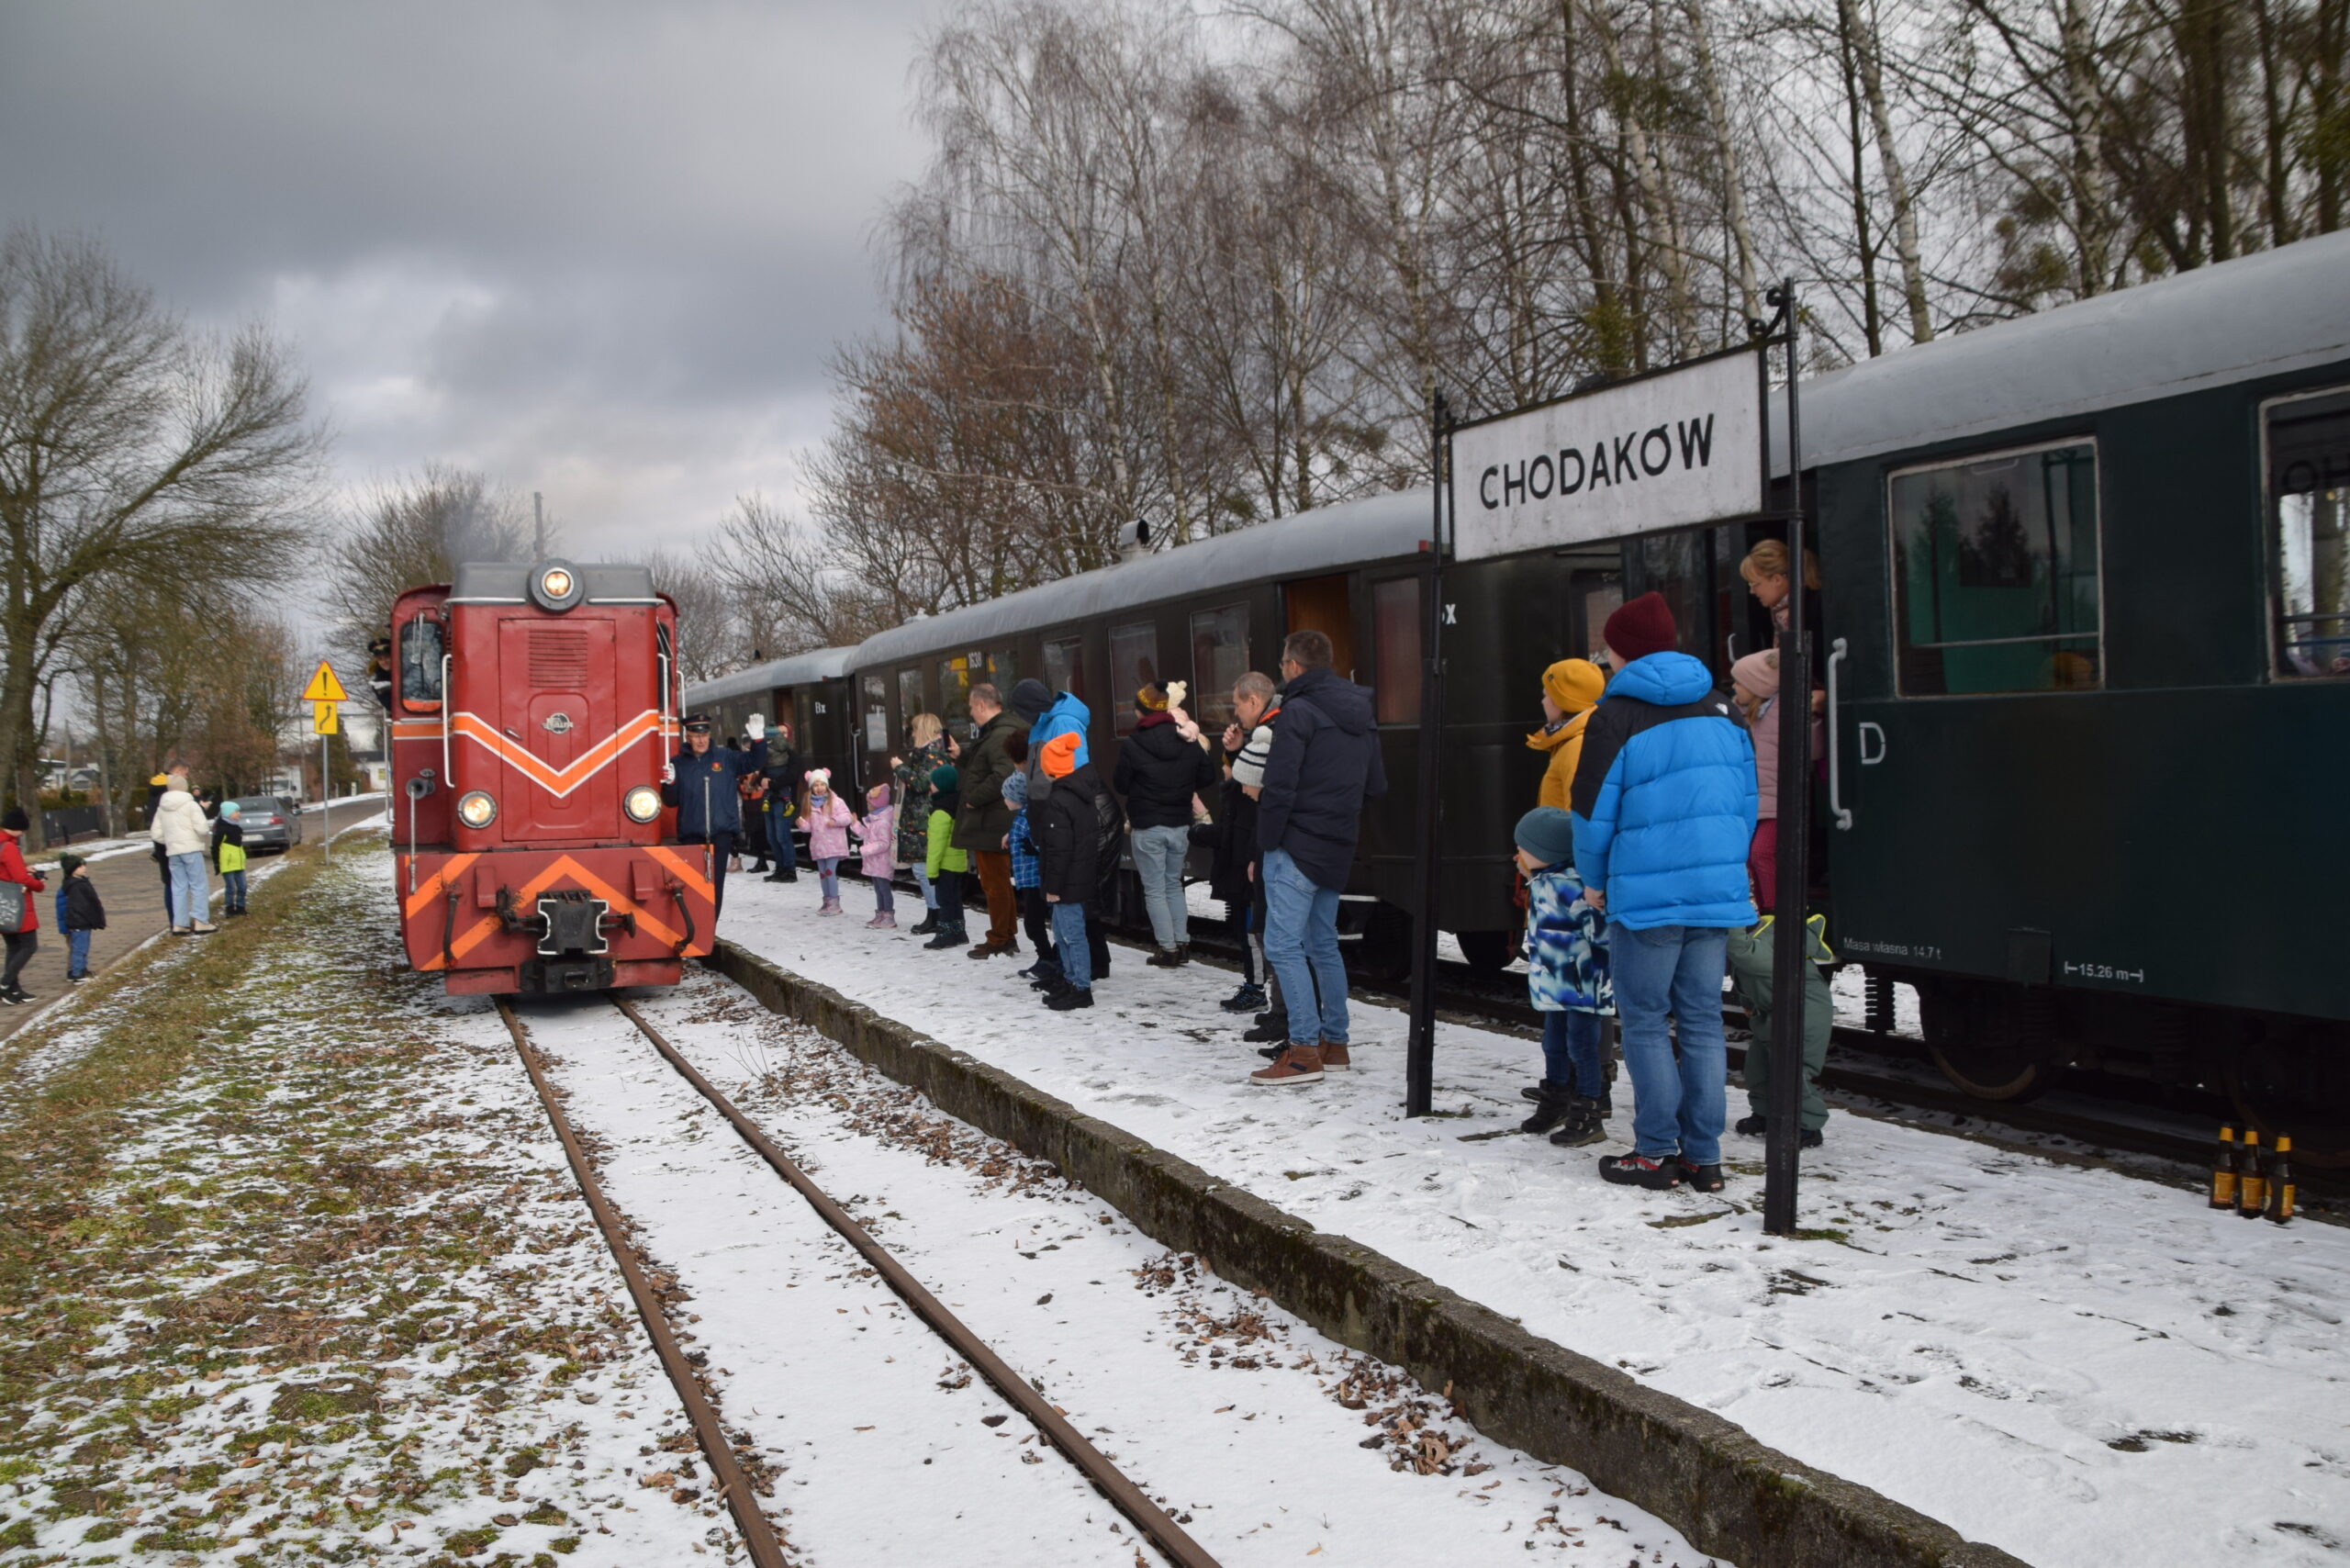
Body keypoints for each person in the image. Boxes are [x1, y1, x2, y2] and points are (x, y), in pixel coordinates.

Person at [1570, 590, 1757, 1192]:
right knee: (1703, 1020)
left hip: (1647, 898)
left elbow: (1592, 813)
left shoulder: (1615, 715)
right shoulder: (1723, 709)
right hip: (1714, 890)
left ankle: (1654, 1152)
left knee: (1646, 1019)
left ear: (1621, 651)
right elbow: (1746, 805)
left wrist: (1594, 882)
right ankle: (1704, 1158)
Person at [1248, 630, 1387, 1087]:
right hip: (1337, 842)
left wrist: (1268, 840)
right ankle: (1336, 1043)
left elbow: (1282, 785)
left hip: (1297, 844)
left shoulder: (1296, 713)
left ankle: (1304, 1051)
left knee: (1283, 945)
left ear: (1292, 666)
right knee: (1322, 943)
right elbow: (1376, 783)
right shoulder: (1361, 711)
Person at [1512, 807, 1613, 1146]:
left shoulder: (1575, 888)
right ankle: (1557, 1097)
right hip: (1553, 985)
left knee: (1582, 1047)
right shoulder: (1543, 883)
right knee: (1553, 1044)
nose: (1516, 855)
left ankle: (1589, 1110)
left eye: (1523, 848)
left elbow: (1602, 937)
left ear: (1547, 853)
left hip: (1583, 986)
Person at [1115, 679, 1218, 968]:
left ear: (1140, 712)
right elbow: (1207, 777)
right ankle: (1182, 943)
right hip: (1179, 824)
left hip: (1148, 826)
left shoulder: (1134, 744)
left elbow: (1121, 784)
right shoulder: (1186, 739)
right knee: (1174, 884)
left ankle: (1167, 948)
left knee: (1155, 888)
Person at [1729, 909, 1832, 1148]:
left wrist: (1729, 917)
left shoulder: (1775, 943)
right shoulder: (1758, 944)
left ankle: (1809, 1125)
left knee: (1792, 1071)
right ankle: (1764, 1115)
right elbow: (1747, 977)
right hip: (1772, 1013)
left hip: (1804, 1013)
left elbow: (1743, 954)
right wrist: (1748, 1004)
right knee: (1759, 1068)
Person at [660, 711, 767, 919]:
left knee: (715, 886)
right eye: (696, 735)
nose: (701, 740)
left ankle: (708, 933)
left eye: (704, 734)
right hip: (692, 835)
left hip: (721, 833)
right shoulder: (678, 764)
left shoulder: (725, 757)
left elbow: (754, 762)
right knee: (692, 885)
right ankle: (693, 929)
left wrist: (758, 741)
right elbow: (671, 801)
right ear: (687, 736)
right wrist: (670, 784)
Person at [1225, 673, 1286, 1032]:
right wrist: (1234, 752)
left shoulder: (1272, 732)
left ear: (1253, 701)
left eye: (1236, 703)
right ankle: (1283, 1013)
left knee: (1275, 936)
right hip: (1263, 843)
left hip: (1270, 844)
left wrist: (1255, 852)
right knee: (1270, 933)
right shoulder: (1263, 731)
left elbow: (1256, 801)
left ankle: (1286, 1017)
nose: (1235, 712)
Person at [1035, 731, 1108, 1012]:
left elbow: (1059, 849)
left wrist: (1052, 885)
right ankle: (1071, 981)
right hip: (1078, 876)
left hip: (1065, 882)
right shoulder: (1080, 794)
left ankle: (1079, 986)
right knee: (1067, 931)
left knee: (1069, 933)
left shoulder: (1057, 801)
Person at [954, 683, 1024, 958]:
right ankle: (1006, 935)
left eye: (972, 707)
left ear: (982, 705)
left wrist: (974, 798)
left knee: (994, 884)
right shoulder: (1000, 732)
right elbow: (991, 765)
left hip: (991, 819)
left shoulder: (998, 734)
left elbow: (1001, 773)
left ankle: (1000, 938)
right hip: (995, 818)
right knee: (999, 883)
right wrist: (963, 756)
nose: (971, 713)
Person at [1002, 739, 1057, 978]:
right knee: (1034, 922)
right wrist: (1010, 837)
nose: (1004, 800)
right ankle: (1046, 958)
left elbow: (1040, 840)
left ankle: (1047, 959)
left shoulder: (1030, 817)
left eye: (1007, 796)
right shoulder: (1024, 817)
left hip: (1035, 879)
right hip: (1028, 880)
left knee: (1033, 924)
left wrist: (1031, 846)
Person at [892, 714, 952, 928]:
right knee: (923, 868)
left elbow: (921, 784)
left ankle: (935, 915)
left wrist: (900, 768)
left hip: (924, 818)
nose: (913, 734)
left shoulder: (931, 755)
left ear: (924, 730)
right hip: (921, 817)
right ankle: (934, 914)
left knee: (923, 869)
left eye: (915, 730)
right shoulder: (931, 752)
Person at [1528, 659, 1606, 809]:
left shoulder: (1576, 746)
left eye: (1546, 695)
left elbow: (1577, 816)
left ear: (1561, 700)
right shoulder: (1577, 737)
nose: (1543, 702)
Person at [149, 767, 218, 935]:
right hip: (191, 848)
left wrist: (171, 840)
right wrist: (195, 838)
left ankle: (180, 924)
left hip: (173, 851)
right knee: (198, 885)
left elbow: (156, 834)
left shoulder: (161, 808)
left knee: (178, 886)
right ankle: (201, 921)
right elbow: (202, 828)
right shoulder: (191, 805)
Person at [923, 763, 969, 950]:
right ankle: (959, 932)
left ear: (940, 785)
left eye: (933, 783)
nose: (930, 787)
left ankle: (945, 934)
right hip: (958, 862)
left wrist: (932, 872)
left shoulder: (940, 811)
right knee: (955, 899)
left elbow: (936, 845)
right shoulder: (956, 805)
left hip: (945, 864)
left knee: (945, 900)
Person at [0, 808, 45, 1002]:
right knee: (29, 945)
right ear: (17, 828)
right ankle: (5, 984)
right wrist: (38, 884)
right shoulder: (9, 847)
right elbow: (20, 878)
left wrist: (23, 869)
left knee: (13, 946)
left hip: (4, 903)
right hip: (17, 903)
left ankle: (14, 991)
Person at [800, 768, 856, 915]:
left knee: (830, 872)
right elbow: (808, 827)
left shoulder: (836, 801)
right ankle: (827, 900)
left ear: (827, 786)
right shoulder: (809, 805)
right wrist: (801, 824)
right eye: (816, 785)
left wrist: (835, 821)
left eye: (822, 785)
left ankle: (834, 902)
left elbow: (847, 817)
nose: (819, 788)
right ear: (811, 788)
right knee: (823, 874)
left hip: (834, 845)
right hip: (819, 846)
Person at [762, 720, 807, 883]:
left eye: (784, 733)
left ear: (789, 735)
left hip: (784, 800)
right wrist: (762, 779)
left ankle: (789, 870)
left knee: (782, 836)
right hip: (769, 799)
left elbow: (792, 776)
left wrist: (771, 783)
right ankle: (780, 868)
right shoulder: (768, 753)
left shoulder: (792, 755)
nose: (781, 736)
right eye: (778, 733)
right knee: (771, 837)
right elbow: (762, 771)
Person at [853, 781, 898, 929]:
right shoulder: (875, 819)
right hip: (875, 862)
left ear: (877, 803)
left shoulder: (883, 822)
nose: (867, 804)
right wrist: (855, 824)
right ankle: (881, 914)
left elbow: (884, 843)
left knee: (884, 890)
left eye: (869, 802)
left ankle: (888, 916)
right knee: (879, 890)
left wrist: (865, 850)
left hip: (882, 862)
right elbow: (867, 835)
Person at [59, 853, 103, 984]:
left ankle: (81, 969)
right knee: (79, 948)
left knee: (82, 947)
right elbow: (81, 906)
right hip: (79, 922)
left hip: (82, 921)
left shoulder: (80, 882)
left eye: (84, 865)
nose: (84, 868)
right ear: (72, 870)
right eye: (80, 866)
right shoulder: (75, 886)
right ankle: (77, 973)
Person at [211, 800, 250, 916]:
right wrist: (217, 864)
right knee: (231, 887)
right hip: (227, 864)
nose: (239, 814)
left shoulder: (237, 828)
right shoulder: (222, 830)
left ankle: (241, 906)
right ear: (228, 813)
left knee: (243, 886)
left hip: (238, 862)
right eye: (236, 812)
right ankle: (229, 908)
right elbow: (215, 847)